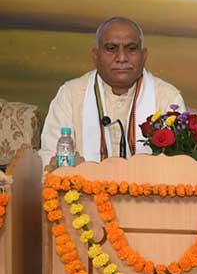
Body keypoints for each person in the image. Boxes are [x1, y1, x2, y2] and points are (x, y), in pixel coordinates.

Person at [39, 17, 185, 164]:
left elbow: (179, 165)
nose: (121, 58)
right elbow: (51, 159)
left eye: (131, 48)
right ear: (95, 56)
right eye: (111, 49)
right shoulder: (71, 95)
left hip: (149, 186)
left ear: (144, 56)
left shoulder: (167, 98)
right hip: (80, 186)